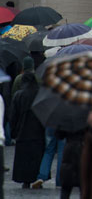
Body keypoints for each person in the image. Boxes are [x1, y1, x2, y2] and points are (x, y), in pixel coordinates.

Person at [10, 57, 45, 189]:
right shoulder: (39, 92)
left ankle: (25, 180)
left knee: (23, 157)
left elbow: (14, 115)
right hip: (37, 131)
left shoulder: (19, 95)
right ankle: (36, 177)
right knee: (35, 156)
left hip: (22, 131)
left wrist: (13, 130)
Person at [57, 128, 86, 199]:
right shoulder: (87, 119)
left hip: (69, 150)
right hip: (82, 149)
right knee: (84, 186)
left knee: (66, 187)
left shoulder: (66, 119)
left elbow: (59, 135)